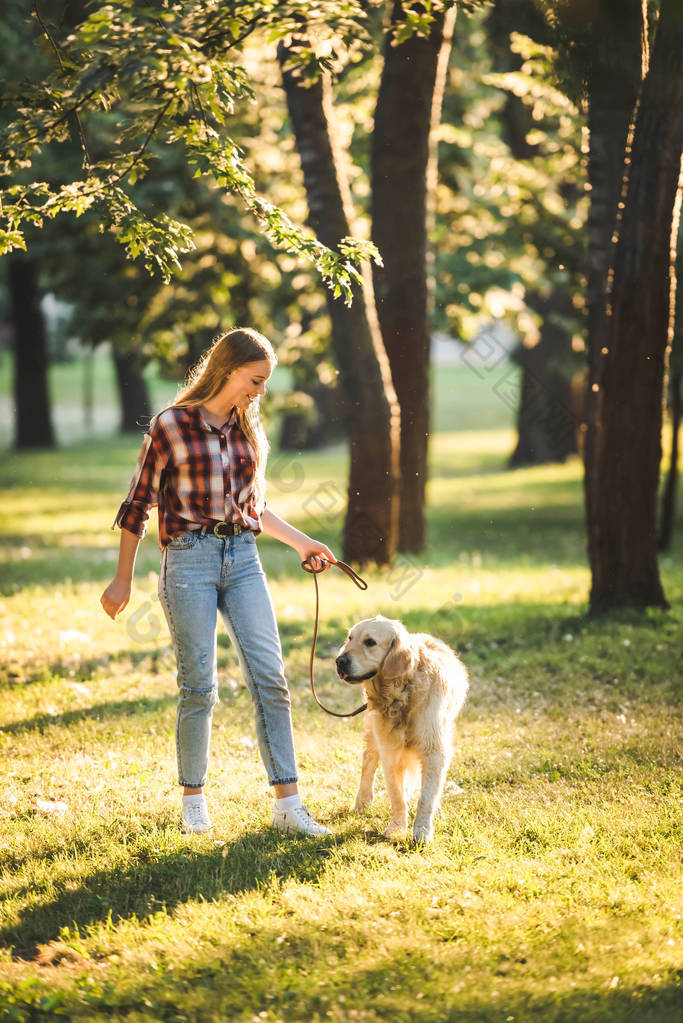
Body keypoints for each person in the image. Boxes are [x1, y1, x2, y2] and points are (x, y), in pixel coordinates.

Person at [100, 327, 336, 836]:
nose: (260, 391)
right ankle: (193, 800)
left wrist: (303, 543)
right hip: (188, 561)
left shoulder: (249, 429)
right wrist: (122, 580)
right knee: (199, 687)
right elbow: (137, 506)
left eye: (265, 383)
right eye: (256, 380)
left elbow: (256, 506)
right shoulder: (170, 426)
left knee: (271, 679)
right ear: (228, 371)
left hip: (244, 557)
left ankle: (288, 805)